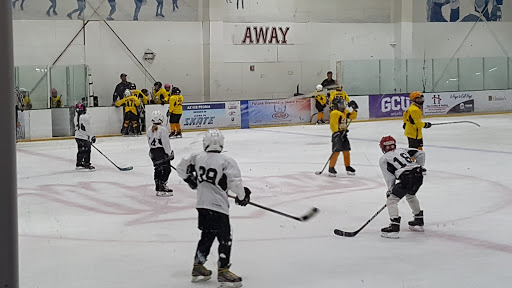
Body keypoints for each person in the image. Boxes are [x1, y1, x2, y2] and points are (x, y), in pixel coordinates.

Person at [176, 129, 250, 287]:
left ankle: (198, 266)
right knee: (225, 238)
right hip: (218, 206)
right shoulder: (226, 161)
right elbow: (235, 183)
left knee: (207, 235)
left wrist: (190, 180)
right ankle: (223, 271)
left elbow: (181, 168)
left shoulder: (197, 157)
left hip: (202, 205)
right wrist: (243, 196)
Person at [378, 135, 425, 239]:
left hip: (407, 178)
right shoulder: (402, 150)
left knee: (391, 200)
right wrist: (420, 166)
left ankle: (394, 226)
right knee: (410, 195)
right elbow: (420, 153)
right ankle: (418, 219)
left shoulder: (383, 159)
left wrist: (390, 190)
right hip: (418, 175)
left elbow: (389, 177)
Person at [328, 98, 358, 176]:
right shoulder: (334, 113)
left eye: (343, 104)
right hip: (337, 135)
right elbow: (333, 124)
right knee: (336, 151)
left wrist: (354, 109)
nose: (343, 106)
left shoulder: (345, 112)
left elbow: (352, 117)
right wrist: (336, 133)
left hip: (344, 134)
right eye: (341, 104)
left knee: (346, 150)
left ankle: (347, 166)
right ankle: (331, 167)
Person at [147, 111, 174, 196]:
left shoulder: (149, 129)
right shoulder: (162, 129)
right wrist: (169, 153)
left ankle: (158, 187)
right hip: (161, 152)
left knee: (157, 169)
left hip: (153, 152)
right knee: (166, 169)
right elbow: (165, 143)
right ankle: (162, 187)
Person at [74, 103, 96, 171]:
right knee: (87, 150)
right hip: (83, 137)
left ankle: (79, 163)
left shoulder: (76, 117)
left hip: (77, 136)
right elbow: (88, 128)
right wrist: (92, 136)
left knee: (81, 150)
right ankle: (86, 163)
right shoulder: (85, 117)